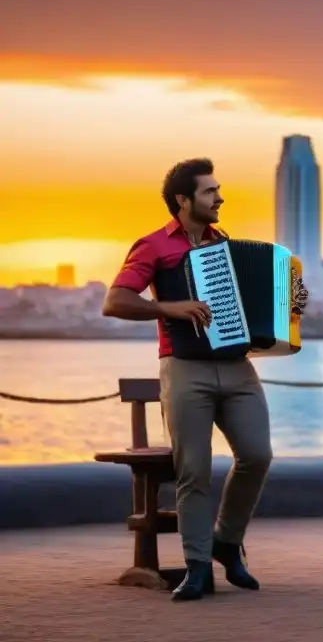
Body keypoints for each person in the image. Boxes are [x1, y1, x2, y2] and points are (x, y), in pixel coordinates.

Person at [102, 158, 284, 602]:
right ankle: (197, 568)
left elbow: (256, 310)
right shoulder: (153, 246)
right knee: (194, 471)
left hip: (238, 366)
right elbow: (115, 300)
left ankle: (226, 540)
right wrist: (169, 307)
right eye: (210, 192)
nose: (220, 197)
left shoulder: (227, 245)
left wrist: (288, 303)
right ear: (183, 200)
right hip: (184, 367)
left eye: (218, 190)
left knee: (257, 455)